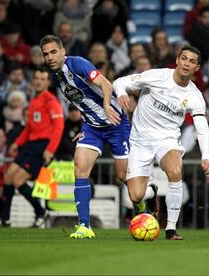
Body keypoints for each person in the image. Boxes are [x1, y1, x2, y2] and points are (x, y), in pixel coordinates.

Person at [113, 45, 209, 240]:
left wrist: (207, 156)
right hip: (140, 140)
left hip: (167, 139)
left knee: (175, 171)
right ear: (177, 60)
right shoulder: (157, 76)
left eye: (192, 61)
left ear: (197, 68)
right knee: (135, 196)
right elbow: (120, 82)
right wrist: (122, 93)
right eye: (184, 58)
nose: (187, 63)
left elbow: (202, 128)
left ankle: (170, 229)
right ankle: (151, 192)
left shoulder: (195, 96)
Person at [40, 35, 134, 239]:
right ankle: (84, 226)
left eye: (53, 52)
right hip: (92, 128)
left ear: (63, 51)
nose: (50, 57)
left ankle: (144, 204)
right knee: (80, 167)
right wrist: (84, 125)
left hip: (116, 124)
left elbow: (106, 84)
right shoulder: (59, 79)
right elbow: (83, 102)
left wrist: (107, 105)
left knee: (124, 177)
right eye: (46, 54)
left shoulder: (78, 64)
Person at [0, 66, 64, 228]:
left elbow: (59, 126)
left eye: (42, 79)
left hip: (42, 147)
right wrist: (16, 143)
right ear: (33, 80)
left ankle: (41, 212)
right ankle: (5, 218)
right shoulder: (34, 100)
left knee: (18, 180)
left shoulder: (51, 101)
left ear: (48, 82)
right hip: (29, 145)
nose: (39, 82)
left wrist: (50, 150)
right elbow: (29, 128)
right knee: (8, 176)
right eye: (36, 78)